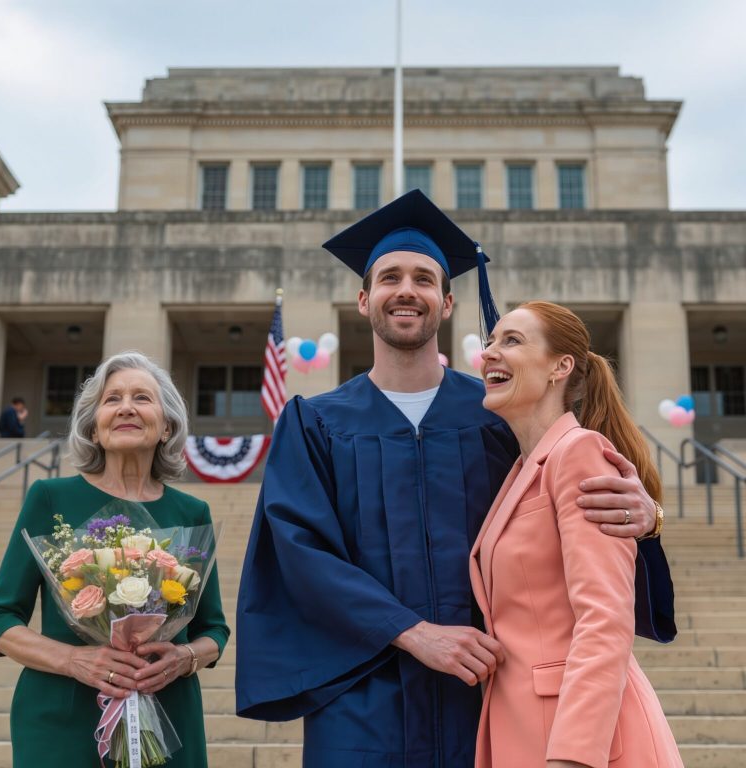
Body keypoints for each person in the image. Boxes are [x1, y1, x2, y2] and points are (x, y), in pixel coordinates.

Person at [236, 190, 674, 768]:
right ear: (364, 299)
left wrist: (647, 519)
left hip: (490, 694)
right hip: (362, 695)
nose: (406, 290)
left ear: (446, 304)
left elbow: (573, 509)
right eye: (390, 277)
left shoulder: (499, 414)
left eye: (424, 278)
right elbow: (299, 552)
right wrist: (412, 631)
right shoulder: (315, 424)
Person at [0, 352, 229, 767]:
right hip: (63, 718)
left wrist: (184, 658)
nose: (126, 407)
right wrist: (74, 659)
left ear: (167, 426)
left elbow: (214, 630)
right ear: (94, 428)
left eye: (142, 398)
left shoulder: (192, 513)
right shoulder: (49, 498)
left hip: (168, 714)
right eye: (112, 399)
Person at [471, 301, 682, 767]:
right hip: (523, 728)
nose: (489, 353)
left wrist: (574, 757)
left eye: (512, 341)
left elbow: (605, 618)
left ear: (560, 367)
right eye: (490, 341)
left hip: (580, 743)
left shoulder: (578, 453)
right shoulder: (522, 468)